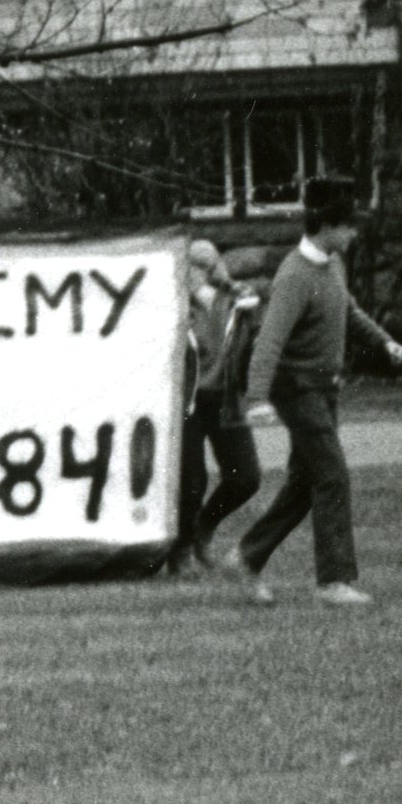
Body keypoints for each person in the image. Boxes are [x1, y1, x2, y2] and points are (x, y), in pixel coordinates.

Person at [231, 176, 402, 604]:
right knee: (333, 476)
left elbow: (348, 309)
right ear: (327, 226)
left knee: (305, 482)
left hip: (324, 389)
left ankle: (246, 556)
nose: (354, 234)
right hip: (297, 389)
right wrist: (256, 398)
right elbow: (268, 340)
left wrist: (383, 340)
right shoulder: (294, 276)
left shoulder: (332, 265)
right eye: (348, 226)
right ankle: (334, 581)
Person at [171, 239, 263, 574]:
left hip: (226, 397)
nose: (194, 274)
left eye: (203, 266)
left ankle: (203, 528)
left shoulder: (235, 299)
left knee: (246, 477)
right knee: (191, 481)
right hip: (188, 400)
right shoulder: (174, 304)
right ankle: (180, 549)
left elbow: (254, 341)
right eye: (190, 266)